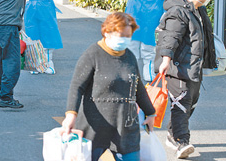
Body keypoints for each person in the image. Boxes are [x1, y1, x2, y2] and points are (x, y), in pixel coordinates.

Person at [62, 12, 156, 161]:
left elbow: (137, 87)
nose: (125, 39)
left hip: (126, 127)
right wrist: (70, 115)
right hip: (95, 127)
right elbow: (77, 86)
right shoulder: (92, 54)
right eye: (121, 35)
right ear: (107, 32)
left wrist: (150, 113)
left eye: (128, 36)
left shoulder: (129, 56)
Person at [155, 0, 216, 159]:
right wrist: (165, 60)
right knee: (181, 104)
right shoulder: (179, 11)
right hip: (177, 67)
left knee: (190, 103)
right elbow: (170, 37)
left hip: (192, 68)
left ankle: (173, 134)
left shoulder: (198, 10)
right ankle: (181, 141)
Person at [24, 0, 66, 74]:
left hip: (46, 8)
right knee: (32, 35)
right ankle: (34, 64)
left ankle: (48, 63)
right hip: (31, 9)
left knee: (48, 34)